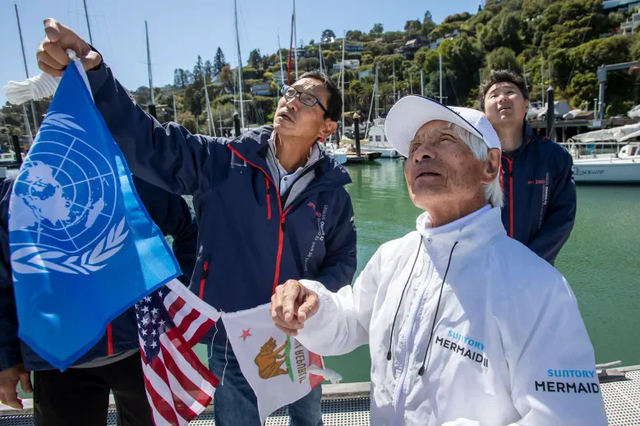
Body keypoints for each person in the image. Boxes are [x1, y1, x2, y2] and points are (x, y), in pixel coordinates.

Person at [36, 19, 357, 426]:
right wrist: (96, 74)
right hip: (233, 337)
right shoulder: (221, 162)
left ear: (327, 127)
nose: (291, 101)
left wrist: (315, 300)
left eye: (308, 100)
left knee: (308, 420)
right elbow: (150, 144)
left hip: (304, 334)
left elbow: (343, 259)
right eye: (290, 92)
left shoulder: (333, 194)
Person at [270, 96, 607, 425]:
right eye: (414, 146)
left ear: (490, 165)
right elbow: (352, 321)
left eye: (443, 139)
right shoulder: (392, 257)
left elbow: (570, 416)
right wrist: (314, 307)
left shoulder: (540, 287)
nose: (420, 153)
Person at [0, 175, 198, 426]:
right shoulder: (15, 191)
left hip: (141, 348)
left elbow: (191, 231)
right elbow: (3, 280)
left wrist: (173, 299)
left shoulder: (134, 178)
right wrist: (5, 359)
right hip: (58, 360)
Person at [480, 69, 576, 264]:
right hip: (482, 269)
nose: (502, 98)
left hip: (534, 271)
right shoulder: (472, 159)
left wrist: (528, 262)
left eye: (509, 92)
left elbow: (562, 218)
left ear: (526, 104)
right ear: (483, 111)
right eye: (494, 95)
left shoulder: (554, 157)